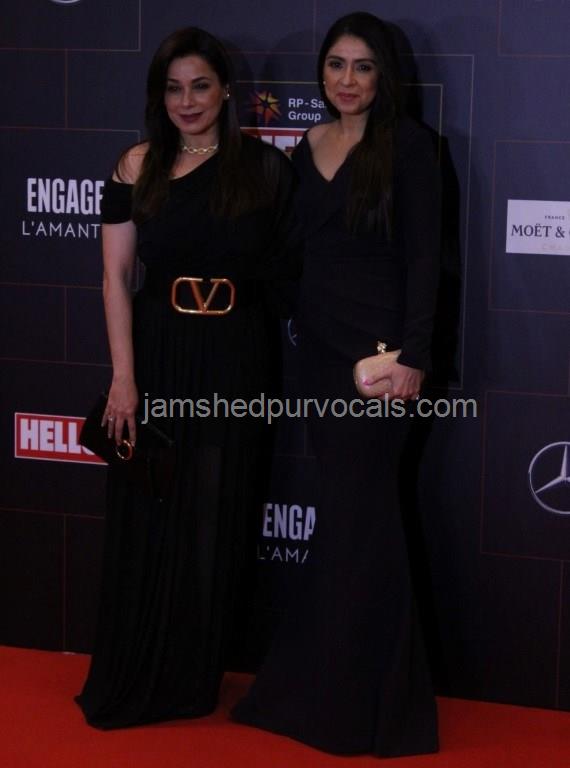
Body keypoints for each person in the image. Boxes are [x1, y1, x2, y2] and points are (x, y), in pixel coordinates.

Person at [75, 26, 298, 729]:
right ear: (159, 96)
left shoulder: (264, 168)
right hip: (158, 349)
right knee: (152, 504)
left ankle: (194, 673)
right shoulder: (135, 164)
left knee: (216, 511)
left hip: (237, 353)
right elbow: (115, 277)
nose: (187, 101)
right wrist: (123, 378)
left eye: (200, 85)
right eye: (173, 88)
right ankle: (142, 663)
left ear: (226, 90)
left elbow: (297, 272)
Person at [232, 12, 441, 757]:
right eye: (335, 65)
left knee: (362, 520)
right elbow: (291, 250)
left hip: (381, 364)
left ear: (384, 75)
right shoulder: (304, 146)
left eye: (362, 67)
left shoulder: (410, 147)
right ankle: (333, 692)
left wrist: (413, 357)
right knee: (351, 522)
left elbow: (425, 259)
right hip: (321, 359)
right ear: (321, 73)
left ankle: (376, 709)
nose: (347, 81)